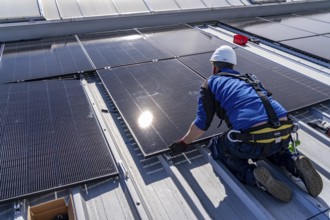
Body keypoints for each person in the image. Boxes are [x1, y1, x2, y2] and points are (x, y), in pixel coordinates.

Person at [169, 45, 323, 202]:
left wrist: (183, 143)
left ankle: (253, 176)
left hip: (252, 141)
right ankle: (293, 163)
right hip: (283, 133)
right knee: (274, 146)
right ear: (233, 65)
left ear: (214, 67)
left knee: (218, 146)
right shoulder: (251, 79)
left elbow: (201, 126)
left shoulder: (211, 83)